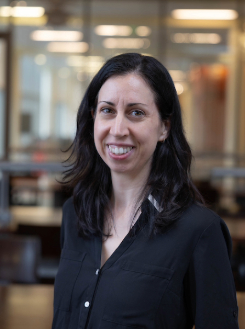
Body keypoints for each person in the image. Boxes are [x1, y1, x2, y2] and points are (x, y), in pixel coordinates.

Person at [52, 53, 239, 329]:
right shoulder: (75, 213)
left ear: (164, 127)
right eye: (107, 110)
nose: (117, 129)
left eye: (136, 113)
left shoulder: (200, 231)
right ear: (93, 118)